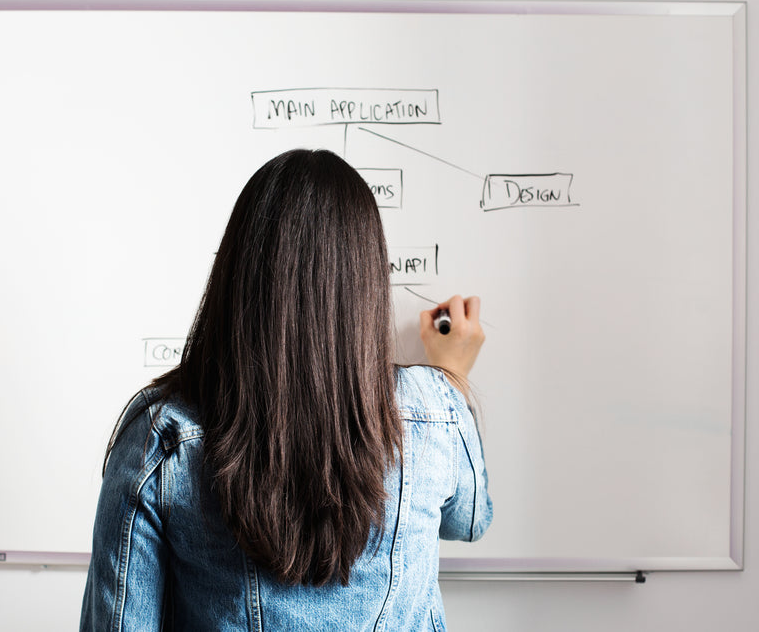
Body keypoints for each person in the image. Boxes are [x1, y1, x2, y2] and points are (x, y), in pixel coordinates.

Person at [80, 149, 492, 631]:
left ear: (236, 273)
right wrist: (453, 377)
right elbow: (470, 519)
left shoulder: (164, 435)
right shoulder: (433, 409)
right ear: (368, 283)